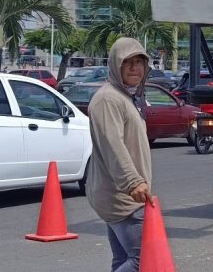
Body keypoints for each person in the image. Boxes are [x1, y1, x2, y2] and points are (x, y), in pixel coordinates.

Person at [86, 37, 153, 272]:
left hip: (120, 194)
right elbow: (113, 144)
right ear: (116, 65)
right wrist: (133, 182)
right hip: (124, 197)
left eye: (140, 62)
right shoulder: (108, 99)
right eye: (128, 63)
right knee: (142, 261)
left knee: (122, 258)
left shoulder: (125, 97)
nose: (136, 68)